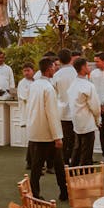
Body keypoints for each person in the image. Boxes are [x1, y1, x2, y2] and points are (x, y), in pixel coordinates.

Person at [26, 57, 66, 200]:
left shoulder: (34, 85)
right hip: (47, 133)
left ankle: (35, 194)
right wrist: (57, 137)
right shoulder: (48, 88)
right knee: (58, 164)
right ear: (49, 69)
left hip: (35, 130)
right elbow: (52, 114)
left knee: (37, 166)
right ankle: (64, 192)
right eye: (54, 67)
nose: (55, 69)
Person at [67, 57, 101, 167]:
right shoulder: (88, 85)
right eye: (87, 65)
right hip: (87, 121)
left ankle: (73, 171)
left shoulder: (73, 84)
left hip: (76, 120)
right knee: (86, 151)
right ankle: (85, 173)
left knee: (77, 148)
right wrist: (97, 119)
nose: (89, 67)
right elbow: (95, 106)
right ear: (82, 68)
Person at [52, 50, 79, 164]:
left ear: (59, 60)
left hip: (62, 111)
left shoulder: (56, 75)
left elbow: (53, 94)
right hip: (76, 110)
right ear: (71, 58)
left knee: (64, 138)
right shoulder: (77, 73)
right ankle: (74, 162)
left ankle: (63, 162)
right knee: (75, 139)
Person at [16, 62, 37, 169]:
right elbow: (26, 97)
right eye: (24, 71)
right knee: (33, 139)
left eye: (28, 70)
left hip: (35, 113)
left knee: (34, 139)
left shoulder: (36, 81)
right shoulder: (22, 83)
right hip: (28, 114)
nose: (26, 73)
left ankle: (30, 161)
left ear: (33, 70)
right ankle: (31, 162)